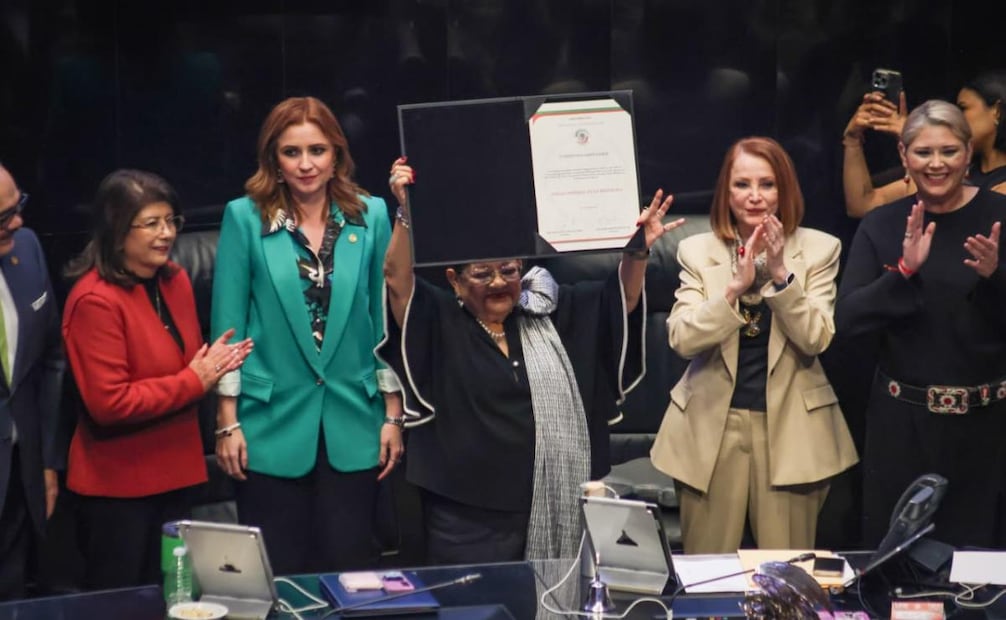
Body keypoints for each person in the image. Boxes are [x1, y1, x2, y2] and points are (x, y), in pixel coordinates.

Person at [380, 156, 684, 564]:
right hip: (467, 521)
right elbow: (397, 281)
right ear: (453, 279)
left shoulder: (553, 311)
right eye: (481, 274)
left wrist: (638, 251)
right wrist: (405, 212)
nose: (498, 283)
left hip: (558, 507)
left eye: (507, 270)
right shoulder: (442, 321)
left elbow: (621, 300)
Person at [211, 96, 402, 575]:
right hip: (268, 424)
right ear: (273, 159)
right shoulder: (245, 217)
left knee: (351, 570)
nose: (305, 164)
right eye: (291, 152)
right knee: (281, 574)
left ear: (336, 154)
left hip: (355, 419)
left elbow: (387, 324)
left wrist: (394, 415)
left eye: (317, 150)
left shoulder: (371, 215)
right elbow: (227, 331)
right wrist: (227, 421)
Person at [650, 137, 858, 554]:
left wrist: (781, 277)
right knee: (709, 576)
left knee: (786, 579)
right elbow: (682, 337)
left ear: (785, 190)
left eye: (767, 184)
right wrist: (732, 290)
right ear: (726, 193)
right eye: (742, 184)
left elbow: (816, 337)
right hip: (711, 426)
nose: (755, 197)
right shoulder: (696, 250)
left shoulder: (820, 248)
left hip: (792, 429)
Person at [62, 169, 252, 590]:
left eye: (172, 221)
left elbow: (191, 364)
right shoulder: (94, 300)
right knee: (124, 604)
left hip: (178, 477)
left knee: (177, 597)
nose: (166, 234)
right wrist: (194, 379)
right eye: (151, 223)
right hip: (121, 492)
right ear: (116, 232)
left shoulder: (175, 280)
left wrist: (212, 368)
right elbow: (109, 404)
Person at [836, 100, 1006, 549]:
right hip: (903, 429)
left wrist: (996, 277)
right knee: (897, 573)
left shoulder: (1000, 218)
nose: (936, 164)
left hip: (987, 430)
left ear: (968, 154)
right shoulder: (882, 224)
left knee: (980, 584)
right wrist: (904, 272)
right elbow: (848, 320)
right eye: (924, 152)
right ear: (903, 155)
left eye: (949, 151)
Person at [0, 164, 64, 600]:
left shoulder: (28, 248)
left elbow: (51, 360)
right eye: (3, 217)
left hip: (20, 478)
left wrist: (46, 461)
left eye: (16, 205)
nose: (18, 222)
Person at [843, 70, 1006, 218]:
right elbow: (862, 204)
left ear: (996, 111)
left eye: (963, 108)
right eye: (924, 152)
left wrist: (914, 139)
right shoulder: (965, 170)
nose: (956, 116)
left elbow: (940, 224)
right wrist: (853, 141)